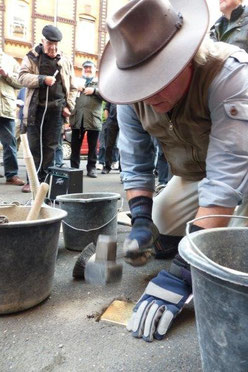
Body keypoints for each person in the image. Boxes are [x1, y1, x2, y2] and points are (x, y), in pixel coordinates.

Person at [98, 0, 248, 342]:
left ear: (187, 56)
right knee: (162, 224)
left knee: (229, 250)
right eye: (139, 81)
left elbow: (226, 181)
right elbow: (135, 162)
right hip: (197, 173)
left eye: (158, 77)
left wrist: (184, 272)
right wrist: (139, 221)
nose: (147, 93)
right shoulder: (131, 95)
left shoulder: (230, 74)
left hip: (242, 171)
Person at [19, 24, 77, 192]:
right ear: (42, 41)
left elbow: (73, 87)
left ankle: (45, 182)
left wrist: (69, 106)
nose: (52, 48)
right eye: (49, 44)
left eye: (56, 44)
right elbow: (22, 77)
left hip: (57, 110)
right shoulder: (31, 57)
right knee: (34, 146)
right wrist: (42, 79)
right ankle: (32, 180)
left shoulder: (65, 60)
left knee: (51, 147)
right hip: (35, 110)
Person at [70, 60, 102, 178]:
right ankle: (74, 169)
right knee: (75, 146)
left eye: (90, 68)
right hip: (77, 118)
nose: (87, 70)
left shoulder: (100, 83)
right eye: (85, 68)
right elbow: (68, 94)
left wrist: (94, 91)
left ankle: (91, 168)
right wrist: (74, 88)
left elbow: (107, 95)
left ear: (95, 70)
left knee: (93, 147)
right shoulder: (77, 81)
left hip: (93, 118)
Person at [0, 49, 24, 186]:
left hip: (5, 107)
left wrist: (6, 74)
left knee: (10, 143)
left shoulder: (9, 61)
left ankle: (11, 175)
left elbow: (21, 82)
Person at [101, 101, 119, 174]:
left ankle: (122, 168)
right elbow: (106, 108)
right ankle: (107, 166)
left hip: (124, 121)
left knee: (123, 146)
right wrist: (108, 121)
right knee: (109, 145)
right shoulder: (112, 94)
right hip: (111, 122)